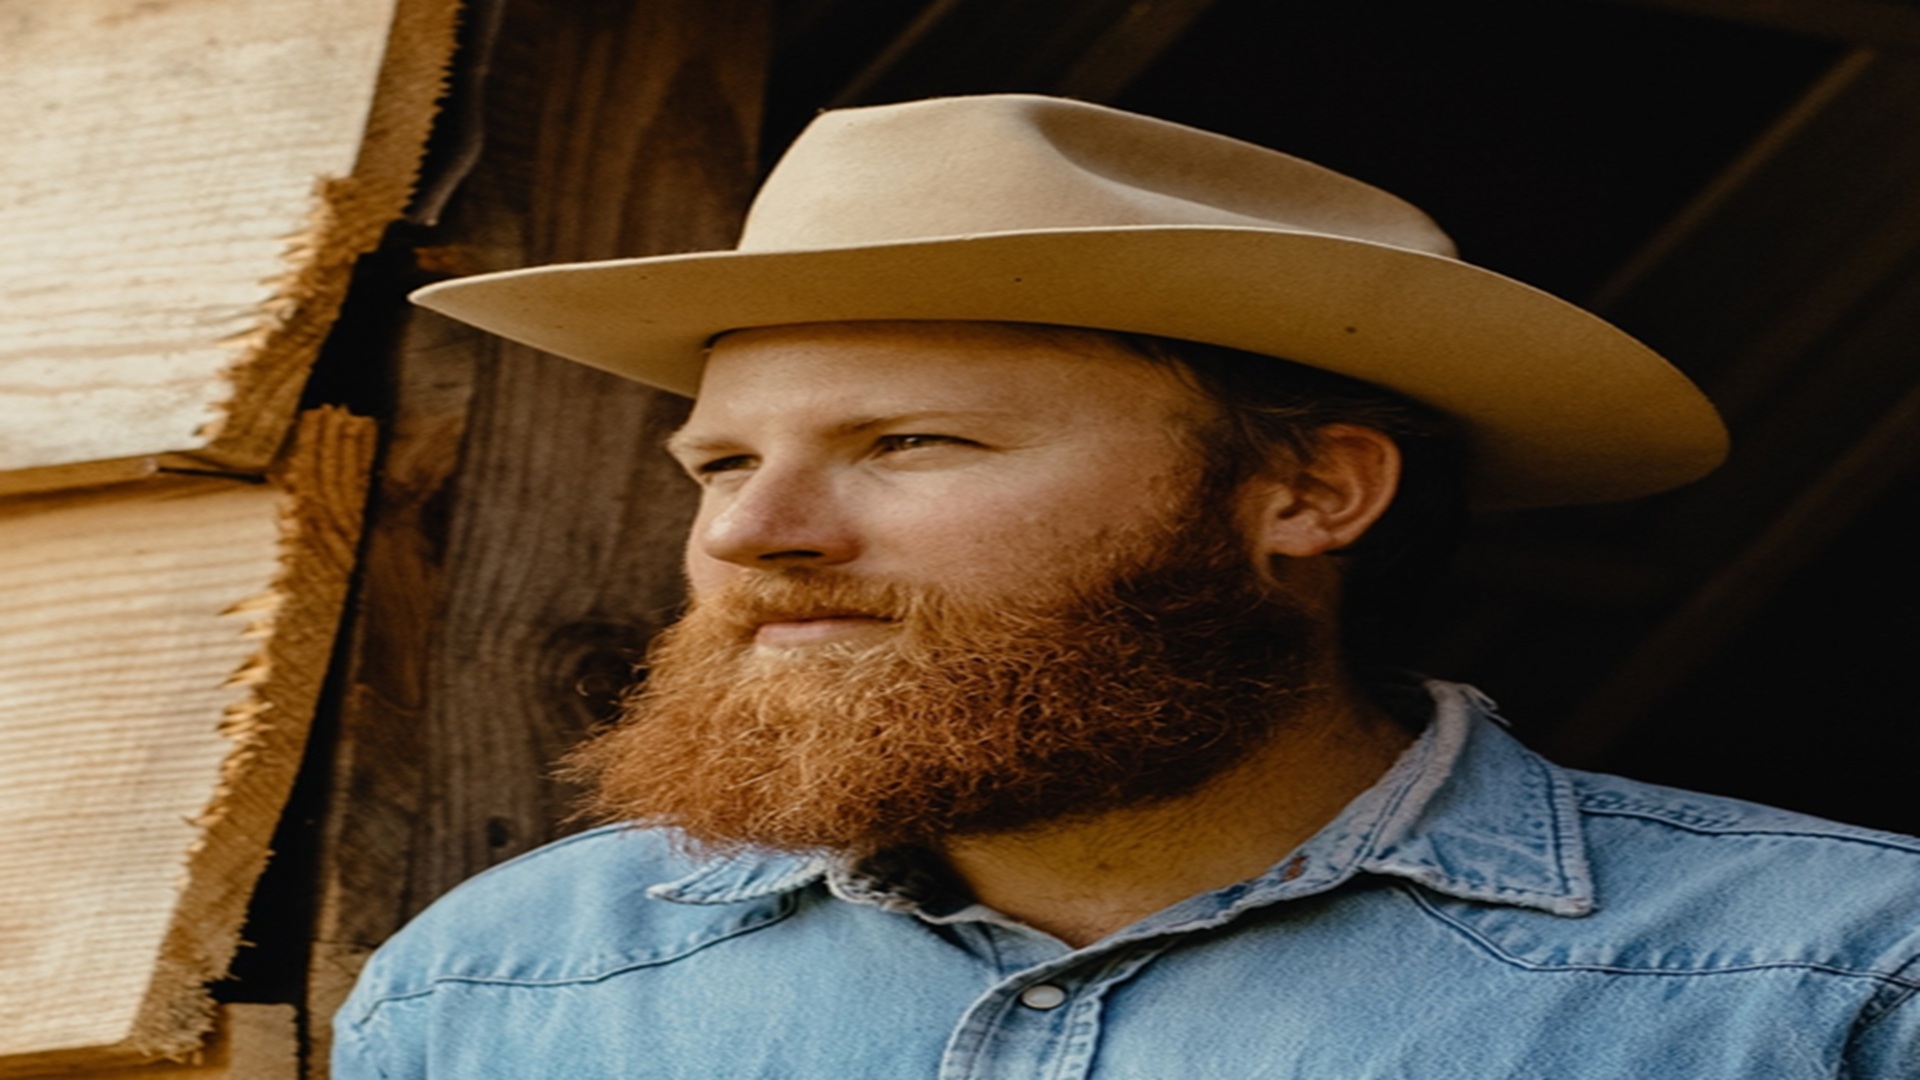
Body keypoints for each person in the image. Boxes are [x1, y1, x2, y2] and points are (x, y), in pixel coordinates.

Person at [334, 95, 1920, 1078]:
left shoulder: (1833, 987)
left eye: (910, 442)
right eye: (723, 464)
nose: (760, 534)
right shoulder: (506, 991)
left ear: (1309, 491)